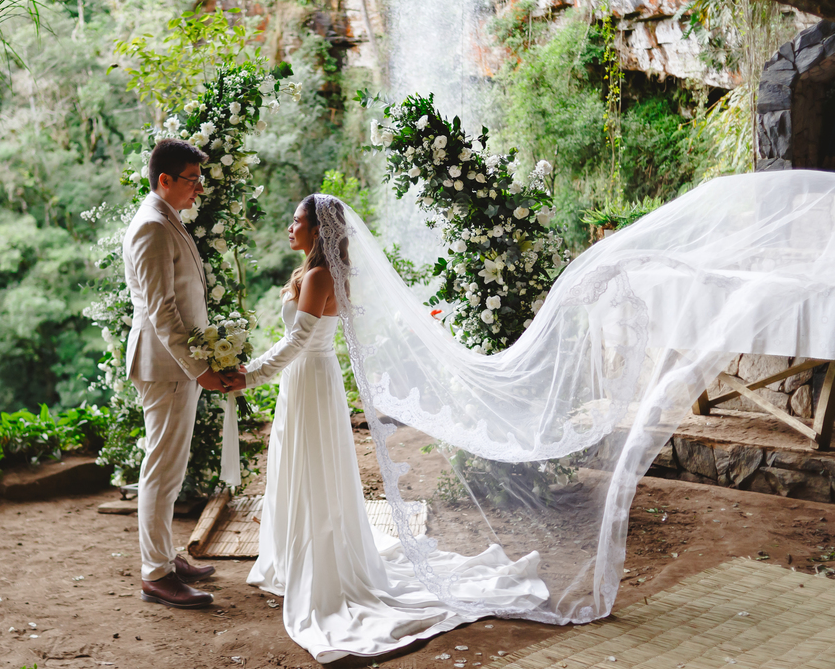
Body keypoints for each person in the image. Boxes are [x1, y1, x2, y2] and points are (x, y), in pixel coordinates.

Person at [242, 195, 547, 663]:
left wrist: (249, 376)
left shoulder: (321, 275)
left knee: (313, 468)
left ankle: (319, 562)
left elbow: (299, 339)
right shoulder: (313, 271)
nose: (289, 226)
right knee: (298, 464)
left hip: (311, 378)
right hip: (301, 380)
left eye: (296, 219)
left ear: (317, 229)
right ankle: (294, 554)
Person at [122, 138, 246, 609]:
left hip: (174, 363)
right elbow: (162, 312)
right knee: (162, 468)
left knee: (169, 468)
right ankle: (156, 574)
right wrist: (200, 369)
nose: (198, 188)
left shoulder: (166, 218)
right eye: (192, 180)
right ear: (165, 180)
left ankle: (165, 557)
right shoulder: (151, 227)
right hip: (166, 365)